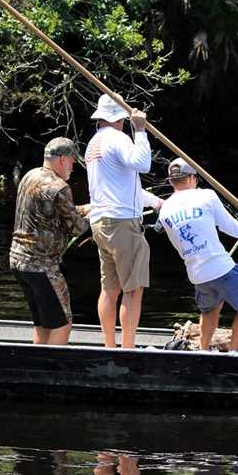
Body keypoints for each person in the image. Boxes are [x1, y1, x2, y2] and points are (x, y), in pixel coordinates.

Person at [157, 158, 238, 352]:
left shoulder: (164, 211)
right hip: (221, 268)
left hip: (197, 275)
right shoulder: (207, 195)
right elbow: (234, 229)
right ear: (191, 178)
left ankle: (204, 351)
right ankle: (233, 351)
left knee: (209, 309)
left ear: (171, 181)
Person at [85, 94, 162, 349]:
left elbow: (121, 187)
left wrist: (154, 202)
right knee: (133, 288)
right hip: (121, 224)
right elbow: (143, 164)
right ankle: (128, 349)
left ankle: (110, 346)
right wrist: (140, 130)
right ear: (120, 118)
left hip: (100, 222)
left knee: (110, 289)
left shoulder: (93, 144)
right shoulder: (118, 138)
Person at [9, 136, 92, 345]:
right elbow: (76, 228)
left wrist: (83, 208)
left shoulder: (30, 176)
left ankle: (36, 367)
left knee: (43, 323)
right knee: (63, 323)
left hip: (18, 262)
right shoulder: (59, 186)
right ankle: (54, 371)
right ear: (63, 159)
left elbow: (50, 214)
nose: (73, 167)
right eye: (73, 162)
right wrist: (93, 216)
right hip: (42, 266)